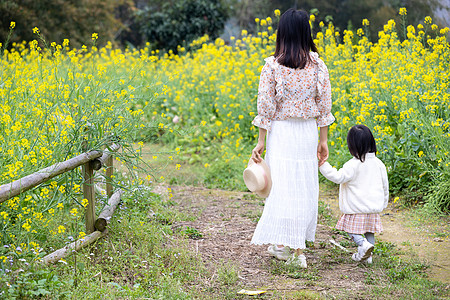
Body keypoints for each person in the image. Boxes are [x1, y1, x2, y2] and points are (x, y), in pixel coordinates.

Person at [250, 8, 335, 268]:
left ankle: (291, 249)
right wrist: (323, 139)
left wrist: (261, 141)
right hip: (307, 132)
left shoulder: (272, 66)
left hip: (282, 132)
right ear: (306, 33)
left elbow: (266, 105)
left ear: (282, 33)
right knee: (304, 187)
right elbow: (324, 105)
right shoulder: (318, 65)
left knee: (283, 187)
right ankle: (293, 249)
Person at [319, 125, 389, 263]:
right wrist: (384, 202)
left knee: (351, 229)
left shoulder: (353, 164)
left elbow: (338, 177)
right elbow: (384, 185)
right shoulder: (379, 163)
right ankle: (367, 257)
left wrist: (322, 165)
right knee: (369, 231)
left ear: (353, 146)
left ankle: (363, 245)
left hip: (356, 208)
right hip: (372, 208)